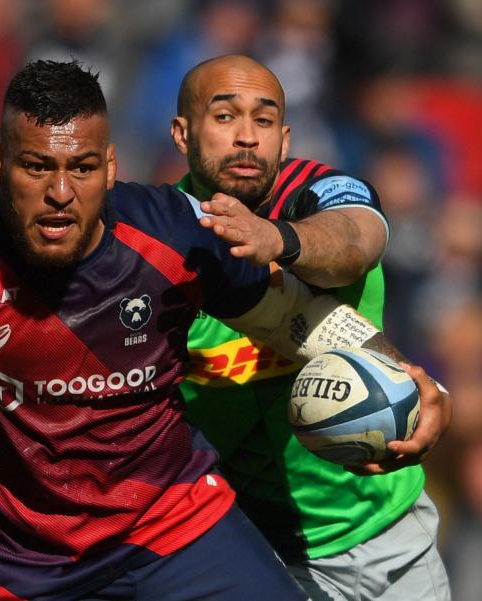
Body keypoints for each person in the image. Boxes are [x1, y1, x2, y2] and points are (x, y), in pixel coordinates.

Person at [0, 59, 449, 601]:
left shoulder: (173, 232)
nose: (62, 192)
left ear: (111, 168)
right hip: (15, 565)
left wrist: (402, 375)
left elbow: (297, 318)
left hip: (175, 525)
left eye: (83, 168)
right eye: (38, 167)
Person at [169, 55, 452, 600]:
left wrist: (279, 240)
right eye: (224, 117)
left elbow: (354, 242)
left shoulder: (320, 189)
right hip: (255, 552)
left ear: (284, 136)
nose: (247, 137)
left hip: (390, 536)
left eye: (265, 120)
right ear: (183, 133)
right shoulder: (161, 245)